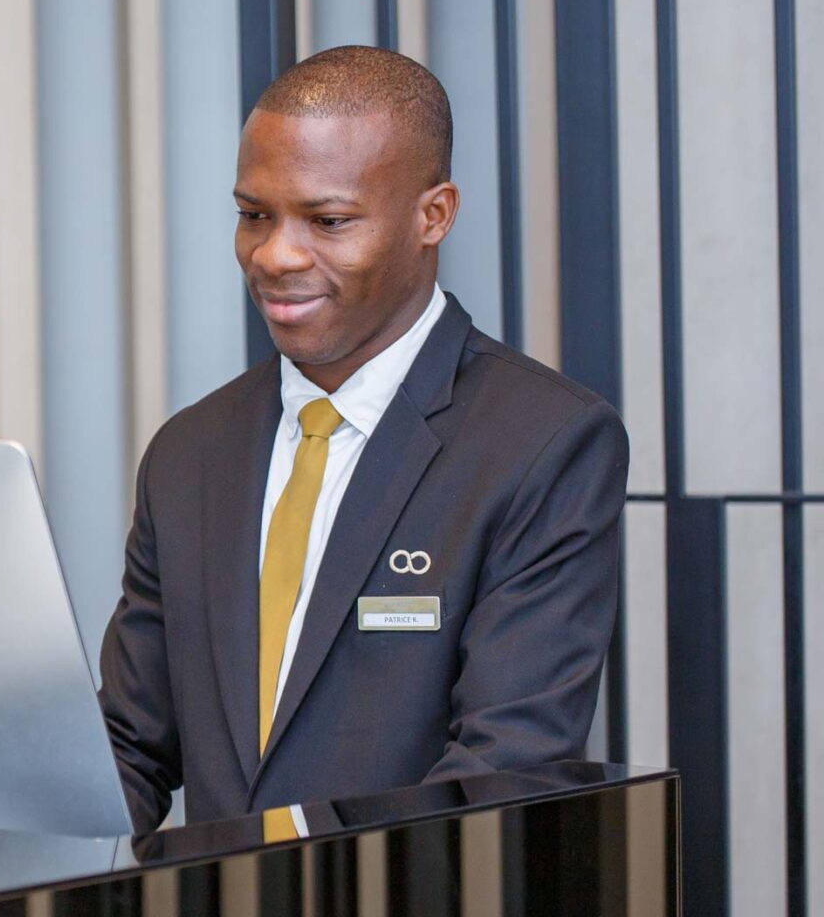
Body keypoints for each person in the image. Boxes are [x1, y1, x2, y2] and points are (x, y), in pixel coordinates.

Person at [96, 45, 628, 832]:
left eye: (329, 220)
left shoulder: (544, 443)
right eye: (253, 215)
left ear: (432, 215)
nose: (275, 255)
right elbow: (130, 747)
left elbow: (504, 768)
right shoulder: (189, 452)